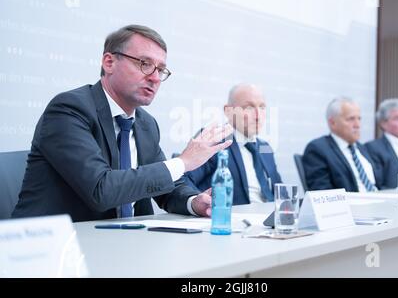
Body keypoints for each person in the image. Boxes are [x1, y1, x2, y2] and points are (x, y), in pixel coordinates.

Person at [12, 24, 232, 222]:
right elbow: (101, 190)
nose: (155, 78)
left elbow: (167, 186)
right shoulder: (68, 109)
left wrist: (193, 202)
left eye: (161, 69)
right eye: (145, 64)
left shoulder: (145, 124)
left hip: (124, 245)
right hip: (56, 251)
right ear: (109, 62)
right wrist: (184, 162)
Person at [185, 84, 282, 204]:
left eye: (262, 107)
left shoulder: (265, 147)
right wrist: (199, 204)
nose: (258, 116)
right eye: (249, 107)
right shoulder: (213, 140)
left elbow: (280, 192)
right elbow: (184, 180)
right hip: (235, 218)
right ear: (228, 111)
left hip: (270, 217)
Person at [302, 97, 382, 192]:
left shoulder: (362, 148)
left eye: (359, 119)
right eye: (351, 119)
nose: (357, 125)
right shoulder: (318, 149)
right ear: (332, 123)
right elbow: (322, 193)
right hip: (351, 205)